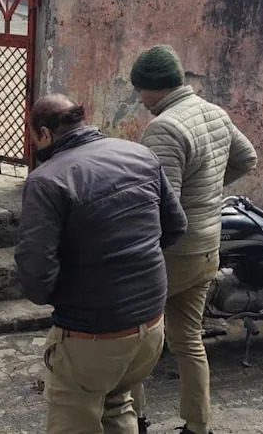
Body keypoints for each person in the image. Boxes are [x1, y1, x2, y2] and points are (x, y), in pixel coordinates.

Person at [15, 94, 188, 434]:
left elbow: (36, 275)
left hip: (91, 336)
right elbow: (175, 227)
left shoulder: (47, 180)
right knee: (116, 403)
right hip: (150, 327)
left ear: (45, 134)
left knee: (73, 419)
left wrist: (74, 292)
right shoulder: (140, 154)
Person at [129, 45, 258, 434]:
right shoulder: (214, 112)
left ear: (154, 88)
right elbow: (246, 157)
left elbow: (160, 203)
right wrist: (206, 191)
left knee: (135, 337)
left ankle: (135, 418)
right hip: (207, 247)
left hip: (173, 252)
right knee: (187, 338)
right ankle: (198, 425)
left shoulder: (164, 128)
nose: (140, 99)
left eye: (141, 91)